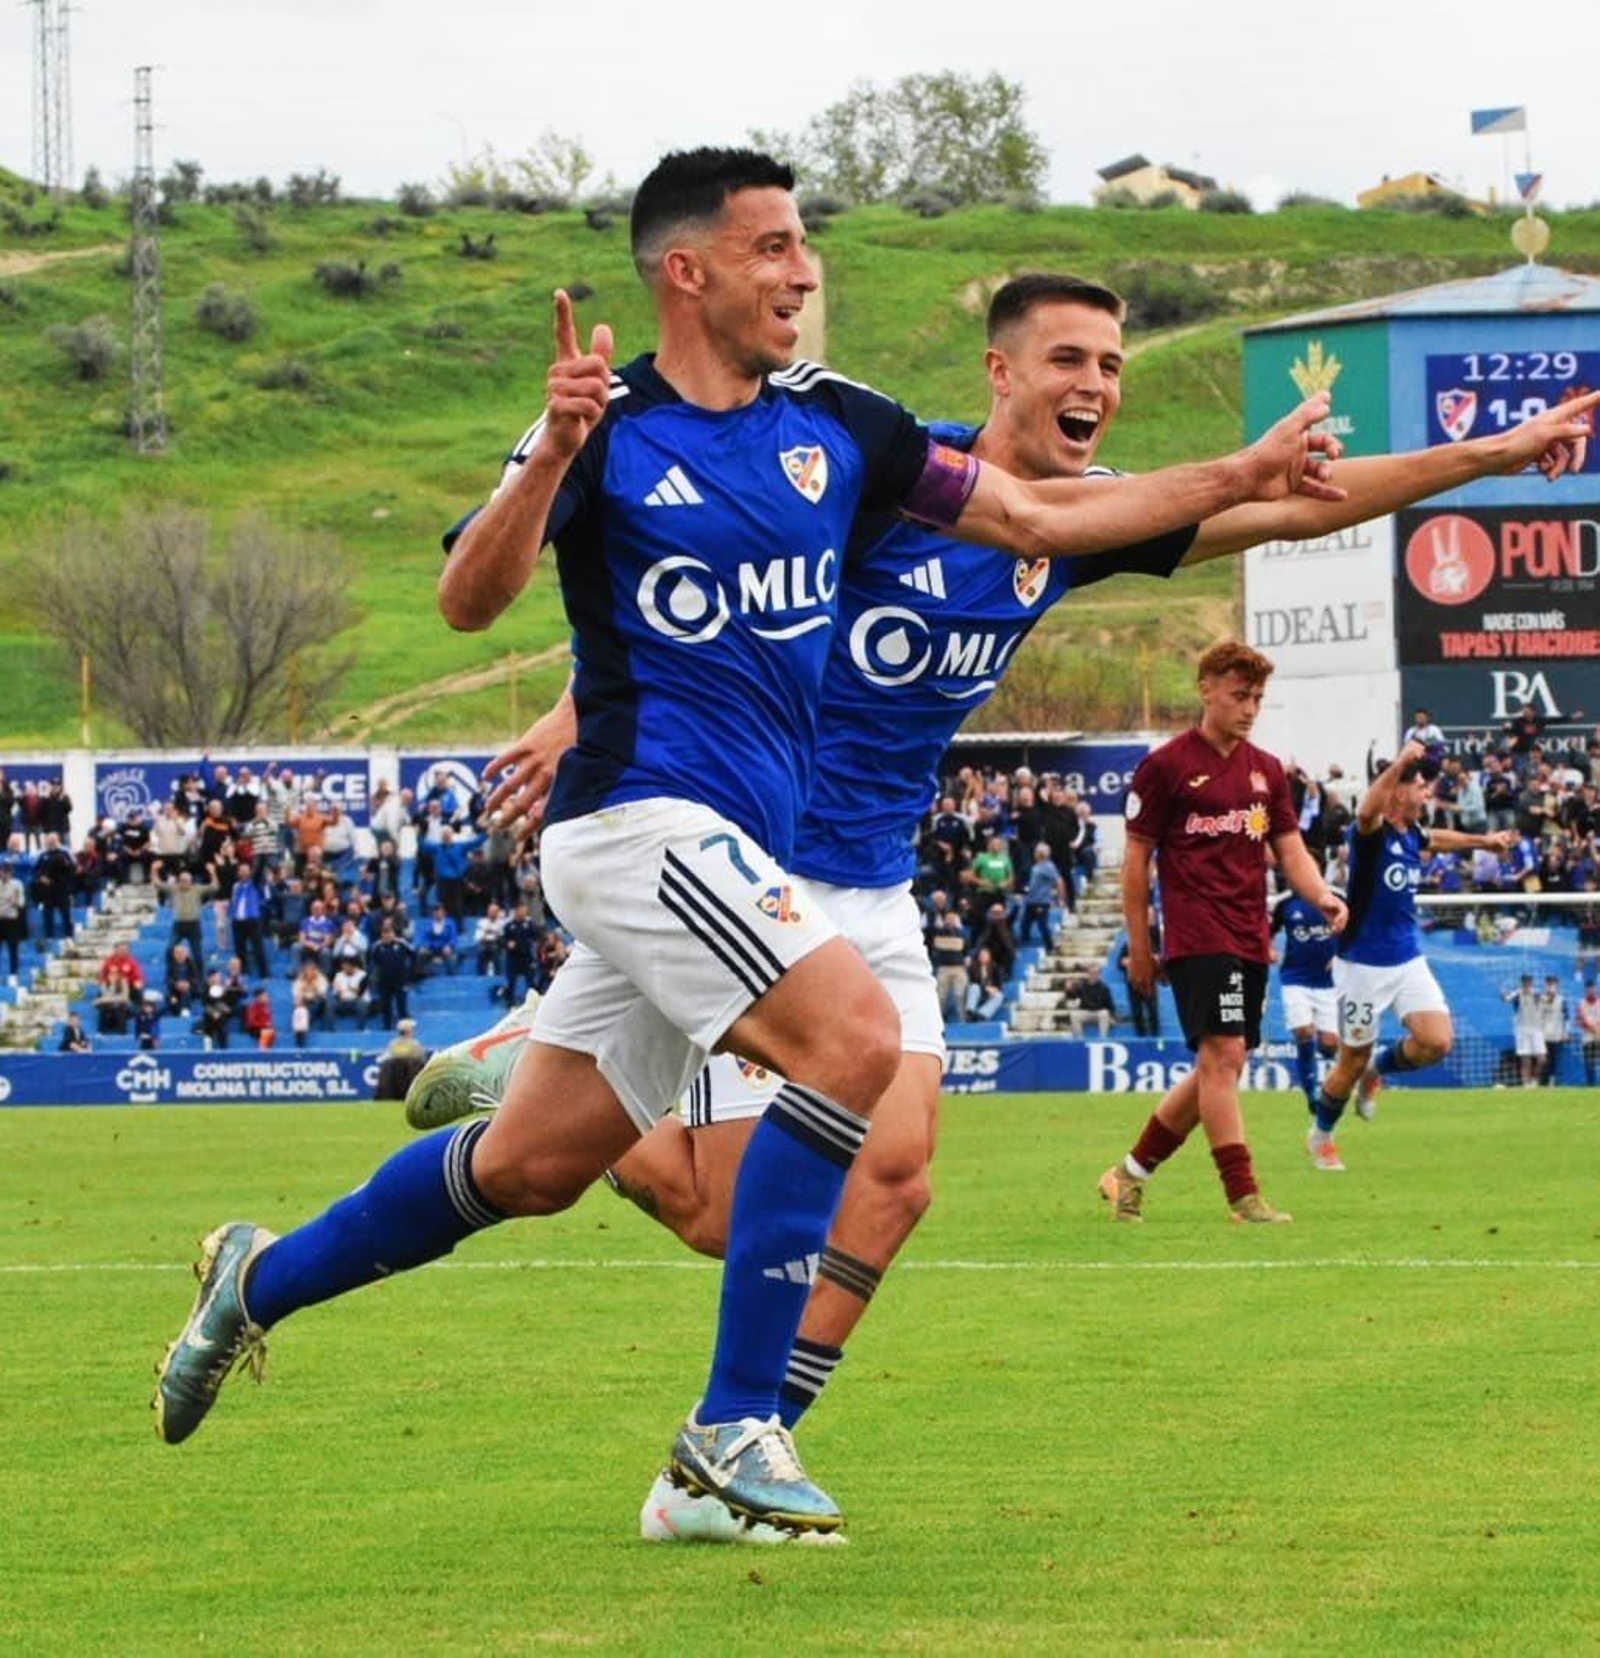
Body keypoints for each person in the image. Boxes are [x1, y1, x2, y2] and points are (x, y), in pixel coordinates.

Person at [154, 148, 1348, 1542]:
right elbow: (469, 598)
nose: (802, 269)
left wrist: (1245, 468)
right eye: (774, 245)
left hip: (736, 850)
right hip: (632, 820)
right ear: (690, 269)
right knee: (848, 1038)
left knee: (528, 1169)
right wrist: (548, 449)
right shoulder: (604, 426)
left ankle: (256, 1278)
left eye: (804, 244)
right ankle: (731, 1429)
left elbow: (1031, 513)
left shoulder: (841, 425)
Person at [405, 264, 1593, 1528]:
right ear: (1000, 372)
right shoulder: (887, 484)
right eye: (1068, 360)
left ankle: (725, 1455)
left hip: (871, 876)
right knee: (710, 1215)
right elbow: (711, 594)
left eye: (1112, 366)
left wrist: (1494, 451)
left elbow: (1303, 506)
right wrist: (573, 709)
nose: (1094, 387)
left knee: (899, 1181)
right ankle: (537, 1070)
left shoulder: (1075, 526)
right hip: (753, 860)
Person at [1099, 640, 1347, 1223]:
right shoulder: (1166, 767)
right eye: (1240, 695)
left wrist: (1322, 894)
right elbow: (1136, 862)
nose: (1250, 708)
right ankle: (1243, 1194)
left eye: (1258, 698)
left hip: (1249, 935)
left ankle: (1128, 1175)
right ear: (1206, 688)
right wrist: (1141, 945)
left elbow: (1290, 849)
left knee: (1221, 1066)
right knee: (1224, 1054)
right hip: (1196, 933)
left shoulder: (1265, 770)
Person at [1308, 742, 1517, 1152]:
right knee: (1347, 1062)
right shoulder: (1371, 835)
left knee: (1437, 1041)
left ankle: (1377, 1071)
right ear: (1399, 792)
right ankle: (1321, 1135)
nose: (1428, 793)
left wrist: (1484, 841)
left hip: (1406, 959)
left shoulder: (1411, 833)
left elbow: (1435, 839)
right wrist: (1401, 761)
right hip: (1362, 966)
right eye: (1421, 786)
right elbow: (1367, 811)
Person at [1269, 877, 1344, 1133]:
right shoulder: (1285, 903)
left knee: (1329, 1044)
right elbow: (1265, 930)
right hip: (1295, 979)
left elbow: (1357, 928)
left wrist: (1339, 955)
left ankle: (1332, 1086)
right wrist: (1266, 948)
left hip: (1328, 983)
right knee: (1303, 1032)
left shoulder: (1336, 897)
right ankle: (1312, 1094)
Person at [1503, 973, 1545, 1088]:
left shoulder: (1536, 994)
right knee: (1525, 1058)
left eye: (1528, 982)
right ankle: (1526, 1084)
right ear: (1521, 983)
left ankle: (1535, 1080)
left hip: (1536, 1029)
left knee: (1542, 1058)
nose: (1527, 984)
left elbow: (1547, 1000)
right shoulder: (1517, 994)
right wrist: (1504, 994)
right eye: (1524, 982)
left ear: (1532, 983)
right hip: (1521, 1030)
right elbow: (1505, 999)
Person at [374, 1018, 428, 1101]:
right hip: (410, 1077)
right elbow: (422, 1060)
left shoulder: (392, 1044)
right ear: (409, 1031)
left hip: (393, 1080)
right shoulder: (415, 1045)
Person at [1065, 964, 1116, 1039]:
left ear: (1099, 974)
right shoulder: (1082, 985)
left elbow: (1110, 1004)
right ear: (1088, 974)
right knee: (1074, 1015)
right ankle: (1080, 1040)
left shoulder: (1104, 988)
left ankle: (1103, 1039)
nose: (1094, 975)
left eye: (1096, 973)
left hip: (1099, 1012)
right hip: (1086, 1012)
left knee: (1104, 1013)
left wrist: (1112, 1016)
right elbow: (1072, 996)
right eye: (1092, 973)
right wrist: (1068, 990)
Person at [1537, 973, 1568, 1086]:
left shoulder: (1562, 1000)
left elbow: (1566, 1017)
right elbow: (1538, 1016)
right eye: (1549, 983)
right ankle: (1541, 1082)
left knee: (1554, 1060)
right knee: (1542, 1060)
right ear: (1545, 985)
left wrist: (1565, 1033)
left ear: (1557, 985)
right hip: (1543, 1035)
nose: (1551, 986)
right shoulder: (1541, 998)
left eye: (1553, 983)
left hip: (1556, 1035)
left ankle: (1552, 1082)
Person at [1577, 984, 1600, 1085]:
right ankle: (1591, 1085)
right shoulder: (1581, 1003)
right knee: (1589, 1063)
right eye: (1589, 990)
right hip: (1587, 1038)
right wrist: (1593, 1029)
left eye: (1593, 990)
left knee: (1595, 1063)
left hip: (1598, 1037)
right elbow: (1580, 1021)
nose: (1591, 992)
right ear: (1586, 991)